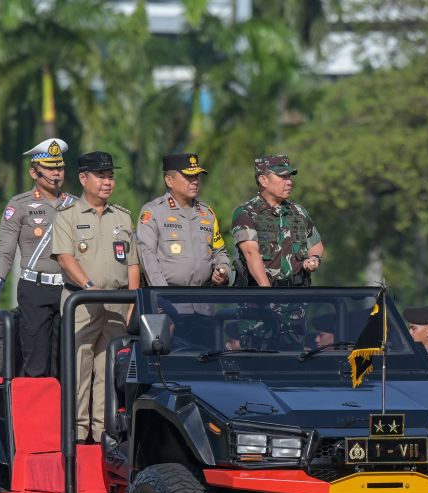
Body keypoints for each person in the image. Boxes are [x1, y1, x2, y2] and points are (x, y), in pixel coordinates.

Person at [52, 151, 141, 442]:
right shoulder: (68, 216)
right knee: (80, 367)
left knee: (109, 369)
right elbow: (65, 258)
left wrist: (133, 300)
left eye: (110, 176)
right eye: (101, 176)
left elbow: (132, 263)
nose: (107, 182)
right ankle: (77, 434)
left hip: (117, 302)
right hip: (82, 301)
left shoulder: (123, 216)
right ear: (83, 178)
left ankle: (104, 431)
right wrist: (88, 286)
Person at [0, 138, 77, 377]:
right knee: (36, 362)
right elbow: (5, 253)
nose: (57, 174)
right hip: (35, 288)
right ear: (34, 172)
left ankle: (67, 414)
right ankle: (39, 413)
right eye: (50, 168)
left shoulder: (76, 205)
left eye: (60, 167)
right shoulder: (20, 205)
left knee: (68, 363)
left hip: (69, 290)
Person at [136, 153, 232, 288]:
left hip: (203, 299)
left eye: (196, 176)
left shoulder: (207, 213)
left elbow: (219, 251)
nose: (195, 181)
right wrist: (161, 294)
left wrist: (223, 271)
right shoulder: (153, 212)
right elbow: (147, 257)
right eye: (188, 176)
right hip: (169, 298)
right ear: (169, 180)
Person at [231, 154, 323, 287]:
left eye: (289, 176)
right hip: (260, 302)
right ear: (263, 180)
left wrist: (314, 259)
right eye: (282, 176)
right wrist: (268, 293)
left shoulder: (299, 212)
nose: (289, 181)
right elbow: (251, 254)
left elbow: (316, 245)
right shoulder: (246, 213)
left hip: (296, 301)